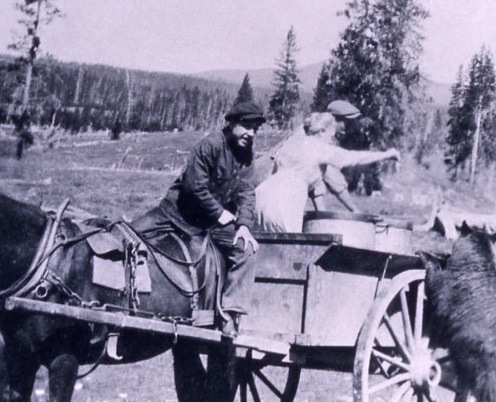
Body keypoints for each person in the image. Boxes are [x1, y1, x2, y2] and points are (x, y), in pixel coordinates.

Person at [133, 101, 264, 336]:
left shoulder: (247, 155)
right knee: (129, 236)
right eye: (247, 126)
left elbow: (247, 192)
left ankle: (228, 314)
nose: (251, 133)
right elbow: (194, 187)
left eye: (255, 128)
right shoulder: (210, 145)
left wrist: (243, 225)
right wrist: (220, 212)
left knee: (247, 251)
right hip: (176, 214)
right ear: (232, 123)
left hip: (211, 225)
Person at [255, 111, 399, 232]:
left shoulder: (291, 145)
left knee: (265, 251)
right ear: (322, 131)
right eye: (331, 135)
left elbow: (315, 189)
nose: (332, 140)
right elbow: (356, 158)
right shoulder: (320, 148)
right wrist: (387, 154)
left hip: (262, 196)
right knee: (288, 251)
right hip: (288, 199)